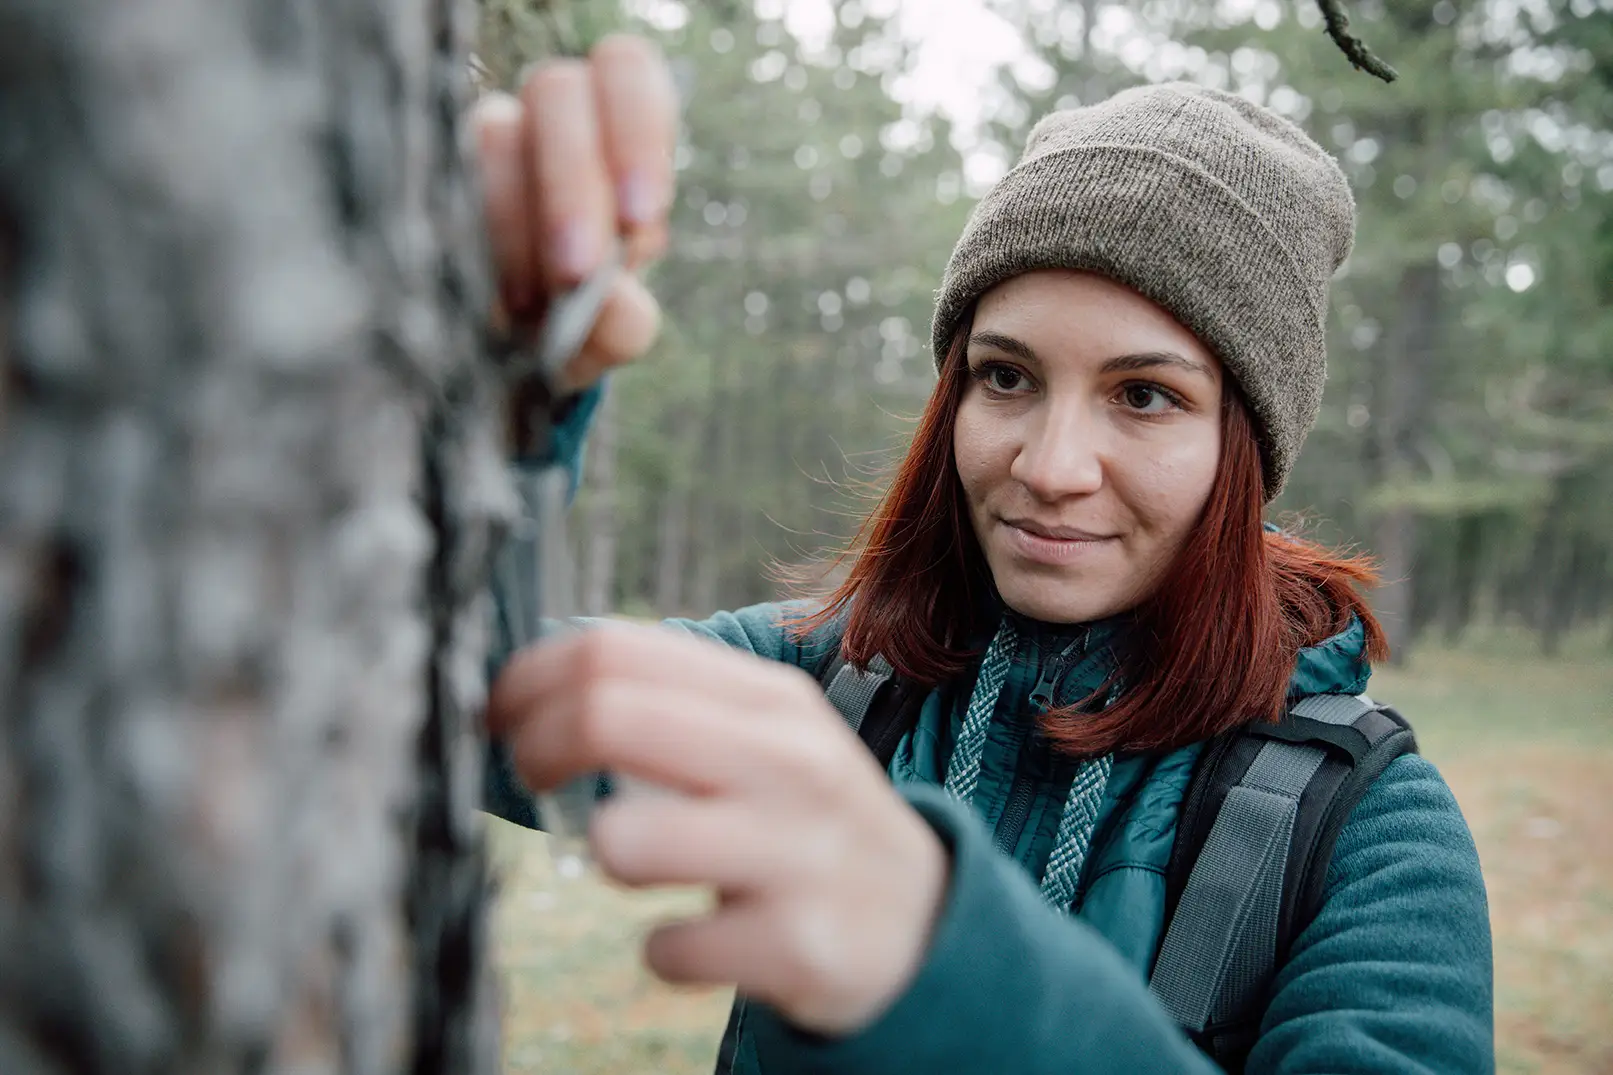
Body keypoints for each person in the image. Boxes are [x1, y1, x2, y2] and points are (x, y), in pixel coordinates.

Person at [470, 35, 1494, 1075]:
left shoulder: (1364, 832)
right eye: (1004, 377)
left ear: (1243, 450)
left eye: (1144, 395)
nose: (1049, 467)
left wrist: (945, 962)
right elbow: (440, 691)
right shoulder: (834, 688)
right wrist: (487, 396)